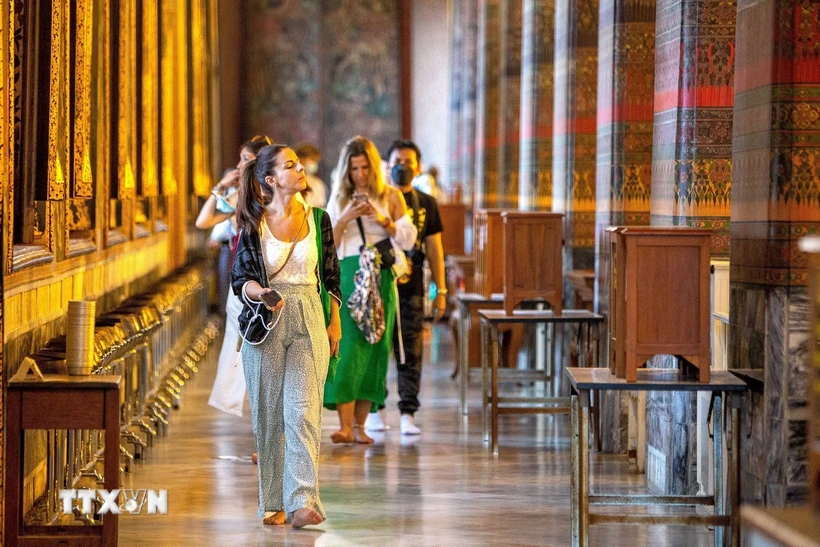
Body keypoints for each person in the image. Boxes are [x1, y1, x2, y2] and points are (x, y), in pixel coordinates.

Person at [231, 143, 341, 528]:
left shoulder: (319, 219)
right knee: (269, 415)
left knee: (303, 413)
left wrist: (334, 323)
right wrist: (260, 293)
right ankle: (273, 500)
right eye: (289, 165)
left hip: (310, 316)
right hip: (268, 318)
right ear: (271, 179)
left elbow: (329, 276)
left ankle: (303, 501)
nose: (300, 170)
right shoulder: (252, 223)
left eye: (299, 164)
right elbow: (239, 280)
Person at [323, 136, 417, 444]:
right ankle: (344, 426)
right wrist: (345, 218)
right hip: (349, 273)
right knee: (349, 348)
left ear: (374, 167)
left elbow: (407, 240)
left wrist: (383, 220)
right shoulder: (338, 198)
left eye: (365, 167)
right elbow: (328, 247)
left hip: (381, 277)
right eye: (354, 169)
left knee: (376, 347)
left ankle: (361, 427)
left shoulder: (390, 196)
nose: (360, 174)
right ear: (346, 170)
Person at [365, 140, 445, 436]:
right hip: (379, 282)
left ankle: (408, 411)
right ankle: (375, 407)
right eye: (397, 160)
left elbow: (435, 247)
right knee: (376, 345)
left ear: (419, 167)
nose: (403, 166)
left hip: (412, 286)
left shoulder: (426, 202)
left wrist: (442, 290)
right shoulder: (377, 199)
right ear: (387, 165)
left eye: (409, 161)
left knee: (410, 349)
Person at [197, 135, 272, 421]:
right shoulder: (237, 195)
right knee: (241, 339)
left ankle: (264, 412)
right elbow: (203, 222)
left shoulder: (269, 197)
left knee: (262, 346)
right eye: (240, 158)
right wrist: (221, 187)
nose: (239, 164)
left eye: (245, 159)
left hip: (266, 275)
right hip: (243, 277)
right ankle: (252, 409)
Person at [295, 142, 328, 208]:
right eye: (312, 160)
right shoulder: (291, 181)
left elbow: (320, 207)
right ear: (301, 159)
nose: (314, 164)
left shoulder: (317, 183)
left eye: (316, 161)